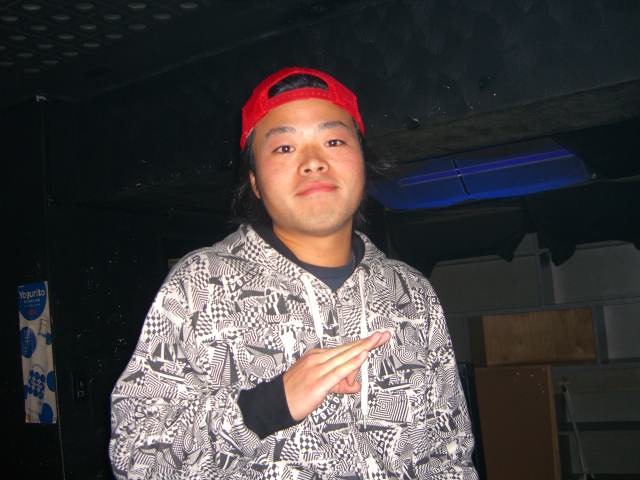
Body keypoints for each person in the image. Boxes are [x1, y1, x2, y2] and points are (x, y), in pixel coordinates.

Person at [109, 66, 478, 479]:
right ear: (255, 182)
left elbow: (452, 455)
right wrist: (267, 406)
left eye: (333, 141)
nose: (313, 162)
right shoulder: (201, 284)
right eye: (284, 148)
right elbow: (138, 459)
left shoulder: (410, 291)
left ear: (362, 162)